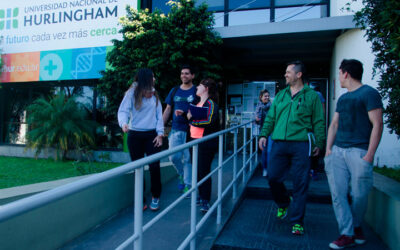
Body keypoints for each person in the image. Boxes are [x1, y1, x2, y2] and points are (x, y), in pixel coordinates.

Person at [258, 60, 325, 235]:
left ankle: (297, 221)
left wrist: (319, 143)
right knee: (272, 177)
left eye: (288, 72)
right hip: (279, 142)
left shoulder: (312, 96)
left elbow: (319, 121)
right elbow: (271, 118)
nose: (285, 74)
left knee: (301, 183)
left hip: (301, 145)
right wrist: (264, 134)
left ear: (299, 74)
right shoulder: (280, 95)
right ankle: (283, 202)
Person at [325, 59, 383, 249]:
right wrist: (328, 150)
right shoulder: (342, 98)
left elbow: (377, 124)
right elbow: (334, 124)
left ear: (346, 73)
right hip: (338, 152)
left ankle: (356, 226)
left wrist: (370, 154)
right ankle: (347, 233)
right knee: (338, 194)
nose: (339, 77)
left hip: (360, 152)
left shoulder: (370, 94)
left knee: (360, 195)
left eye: (339, 73)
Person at [118, 68, 164, 211]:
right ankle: (141, 199)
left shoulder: (154, 94)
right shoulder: (132, 93)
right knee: (138, 168)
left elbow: (159, 116)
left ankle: (156, 196)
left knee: (154, 167)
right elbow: (123, 110)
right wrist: (124, 123)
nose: (155, 79)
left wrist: (160, 134)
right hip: (135, 136)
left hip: (152, 135)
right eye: (153, 77)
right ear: (146, 78)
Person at [184, 78, 220, 213]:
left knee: (203, 170)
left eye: (199, 85)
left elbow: (209, 120)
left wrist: (192, 119)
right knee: (197, 170)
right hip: (194, 141)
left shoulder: (211, 104)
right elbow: (192, 120)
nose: (197, 87)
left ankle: (205, 199)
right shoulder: (198, 103)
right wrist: (184, 116)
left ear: (206, 88)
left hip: (205, 143)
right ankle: (201, 195)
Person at [162, 65, 197, 193]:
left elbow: (199, 110)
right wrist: (160, 128)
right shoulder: (175, 90)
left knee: (188, 159)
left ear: (192, 76)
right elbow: (167, 109)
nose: (184, 76)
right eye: (182, 73)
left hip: (190, 131)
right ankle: (181, 174)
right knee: (173, 157)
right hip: (176, 129)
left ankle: (188, 184)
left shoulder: (196, 91)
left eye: (187, 73)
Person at [255, 89, 272, 177]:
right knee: (264, 151)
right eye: (265, 96)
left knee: (269, 151)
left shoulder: (272, 106)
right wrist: (256, 119)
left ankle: (269, 169)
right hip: (262, 131)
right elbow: (256, 119)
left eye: (268, 96)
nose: (267, 97)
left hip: (271, 131)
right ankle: (265, 168)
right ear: (261, 97)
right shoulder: (259, 106)